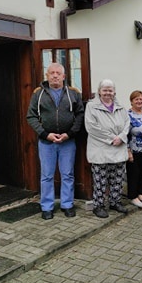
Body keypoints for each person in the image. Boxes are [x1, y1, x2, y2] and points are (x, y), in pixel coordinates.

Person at [27, 63, 84, 220]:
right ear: (47, 75)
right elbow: (31, 116)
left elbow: (80, 115)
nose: (55, 75)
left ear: (64, 76)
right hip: (46, 142)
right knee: (47, 175)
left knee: (67, 174)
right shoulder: (38, 94)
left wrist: (70, 133)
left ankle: (67, 204)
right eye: (52, 73)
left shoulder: (73, 94)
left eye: (58, 73)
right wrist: (45, 134)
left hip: (67, 142)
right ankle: (46, 207)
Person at [85, 79, 130, 218]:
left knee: (117, 178)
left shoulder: (120, 106)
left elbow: (127, 123)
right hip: (101, 150)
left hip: (118, 148)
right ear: (99, 91)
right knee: (100, 180)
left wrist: (121, 137)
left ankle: (115, 202)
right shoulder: (92, 106)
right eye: (104, 90)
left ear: (114, 92)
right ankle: (98, 206)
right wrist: (112, 139)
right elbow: (92, 128)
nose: (108, 93)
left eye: (110, 90)